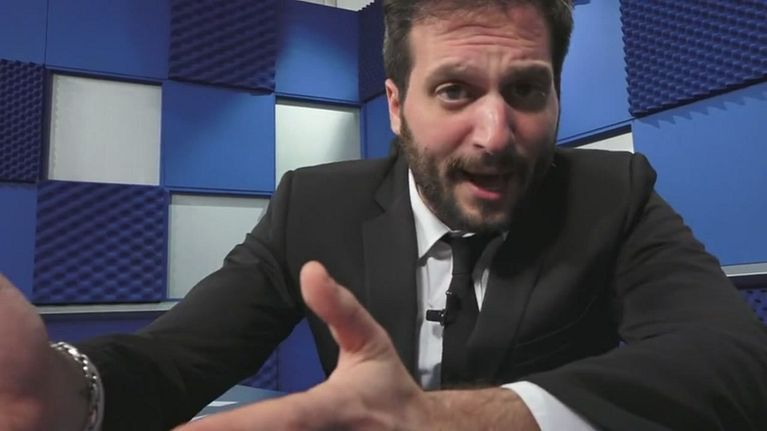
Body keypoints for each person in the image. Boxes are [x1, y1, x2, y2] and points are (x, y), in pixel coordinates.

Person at [1, 0, 766, 430]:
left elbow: (732, 358)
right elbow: (176, 359)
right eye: (455, 91)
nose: (494, 134)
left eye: (526, 90)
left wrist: (461, 421)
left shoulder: (612, 194)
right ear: (396, 107)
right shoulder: (312, 206)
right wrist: (62, 386)